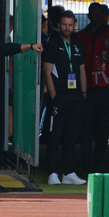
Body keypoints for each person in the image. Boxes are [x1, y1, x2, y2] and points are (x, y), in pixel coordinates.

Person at [77, 2, 109, 175]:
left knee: (103, 128)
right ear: (89, 16)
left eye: (100, 15)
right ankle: (86, 163)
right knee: (86, 127)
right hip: (85, 88)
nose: (97, 18)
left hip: (104, 88)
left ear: (104, 16)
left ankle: (99, 161)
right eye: (94, 15)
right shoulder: (80, 36)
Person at [43, 10, 87, 185]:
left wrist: (84, 93)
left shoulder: (78, 46)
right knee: (55, 135)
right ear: (58, 25)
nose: (67, 28)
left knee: (71, 136)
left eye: (70, 25)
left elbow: (82, 70)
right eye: (64, 24)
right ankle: (52, 173)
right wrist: (54, 95)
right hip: (59, 97)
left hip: (76, 97)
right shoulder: (52, 44)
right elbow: (47, 71)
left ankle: (68, 172)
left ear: (75, 26)